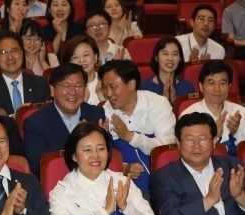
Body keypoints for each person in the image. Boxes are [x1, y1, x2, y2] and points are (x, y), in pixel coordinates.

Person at [99, 59, 175, 196]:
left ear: (131, 84)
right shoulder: (102, 113)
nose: (108, 93)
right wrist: (123, 167)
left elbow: (167, 148)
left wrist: (130, 137)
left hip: (163, 179)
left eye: (113, 86)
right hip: (124, 186)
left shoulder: (158, 104)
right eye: (104, 87)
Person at [23, 63, 105, 175]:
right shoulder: (35, 123)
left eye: (78, 86)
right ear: (52, 90)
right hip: (59, 183)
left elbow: (109, 153)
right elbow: (39, 165)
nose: (72, 92)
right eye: (66, 86)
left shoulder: (96, 114)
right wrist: (76, 137)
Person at [180, 60, 244, 156]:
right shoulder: (189, 115)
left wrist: (235, 133)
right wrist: (215, 137)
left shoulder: (241, 113)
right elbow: (189, 155)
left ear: (229, 87)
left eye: (222, 83)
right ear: (201, 87)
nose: (217, 89)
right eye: (211, 83)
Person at [0, 30, 50, 115]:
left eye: (14, 51)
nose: (10, 57)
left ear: (21, 53)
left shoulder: (40, 84)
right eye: (3, 52)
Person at [140, 36, 194, 105]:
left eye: (175, 54)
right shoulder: (143, 87)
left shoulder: (188, 87)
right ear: (156, 58)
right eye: (165, 53)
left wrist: (176, 104)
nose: (170, 58)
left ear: (180, 59)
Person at [62, 34, 103, 105]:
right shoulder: (63, 87)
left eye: (86, 55)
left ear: (96, 57)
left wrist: (102, 97)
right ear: (69, 63)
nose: (81, 60)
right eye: (75, 57)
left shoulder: (106, 83)